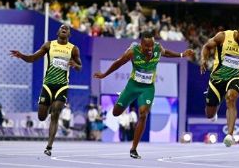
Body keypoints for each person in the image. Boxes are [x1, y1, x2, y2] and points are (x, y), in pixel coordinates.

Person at [94, 31, 194, 159]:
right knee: (116, 113)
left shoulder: (157, 48)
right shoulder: (133, 52)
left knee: (143, 113)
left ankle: (134, 148)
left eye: (151, 46)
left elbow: (167, 53)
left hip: (147, 88)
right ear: (141, 45)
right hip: (133, 86)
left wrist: (181, 54)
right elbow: (118, 63)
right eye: (147, 47)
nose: (150, 49)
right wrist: (104, 74)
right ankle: (122, 98)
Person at [10, 24, 82, 156]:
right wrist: (21, 55)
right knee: (42, 117)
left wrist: (75, 65)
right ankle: (48, 105)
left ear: (69, 34)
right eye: (61, 27)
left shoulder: (73, 49)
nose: (64, 28)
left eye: (67, 28)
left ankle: (49, 146)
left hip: (62, 86)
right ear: (58, 32)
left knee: (55, 115)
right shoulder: (49, 45)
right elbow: (32, 58)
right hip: (47, 85)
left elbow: (80, 67)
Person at [200, 21, 239, 147]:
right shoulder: (223, 36)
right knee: (209, 114)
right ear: (238, 31)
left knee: (231, 98)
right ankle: (215, 109)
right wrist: (203, 59)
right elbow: (207, 47)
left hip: (235, 76)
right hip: (217, 78)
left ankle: (229, 135)